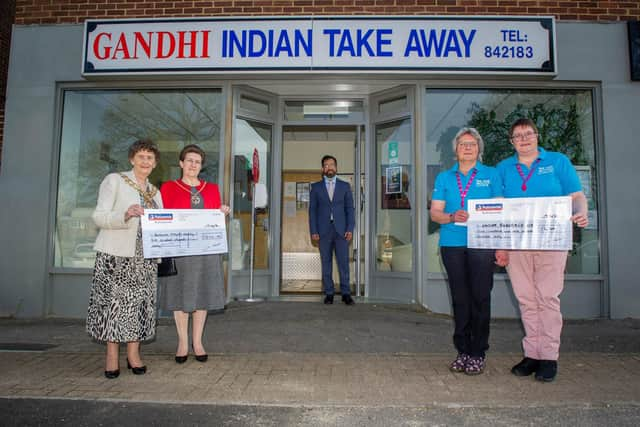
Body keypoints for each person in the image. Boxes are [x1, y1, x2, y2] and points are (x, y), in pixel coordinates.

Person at [495, 118, 589, 382]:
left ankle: (549, 356)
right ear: (511, 141)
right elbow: (500, 207)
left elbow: (577, 196)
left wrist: (581, 214)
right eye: (517, 136)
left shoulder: (557, 162)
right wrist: (501, 246)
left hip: (552, 243)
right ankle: (532, 354)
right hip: (517, 245)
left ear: (537, 136)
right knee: (526, 300)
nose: (523, 139)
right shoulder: (504, 168)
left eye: (528, 134)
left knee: (547, 299)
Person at [87, 139, 163, 379]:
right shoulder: (115, 180)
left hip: (144, 259)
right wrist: (125, 214)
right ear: (132, 159)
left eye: (150, 158)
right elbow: (98, 216)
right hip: (115, 257)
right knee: (113, 307)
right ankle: (111, 356)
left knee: (140, 307)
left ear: (155, 163)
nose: (145, 161)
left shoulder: (155, 192)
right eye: (141, 156)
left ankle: (133, 354)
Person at [430, 127, 503, 375]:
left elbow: (501, 210)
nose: (468, 148)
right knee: (460, 300)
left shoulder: (491, 175)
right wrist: (451, 216)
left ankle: (478, 352)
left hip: (482, 243)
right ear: (456, 150)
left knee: (480, 298)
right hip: (452, 244)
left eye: (472, 144)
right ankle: (462, 351)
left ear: (479, 149)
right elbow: (435, 213)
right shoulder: (444, 178)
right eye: (463, 144)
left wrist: (501, 246)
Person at [160, 144, 230, 364]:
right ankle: (182, 342)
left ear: (201, 166)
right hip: (179, 252)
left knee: (203, 295)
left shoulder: (212, 189)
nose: (193, 165)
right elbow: (162, 218)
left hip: (205, 254)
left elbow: (215, 222)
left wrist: (223, 213)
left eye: (197, 162)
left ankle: (197, 342)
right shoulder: (169, 188)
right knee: (180, 295)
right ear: (181, 163)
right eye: (189, 160)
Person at [309, 155, 356, 305]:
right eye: (326, 165)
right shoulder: (316, 187)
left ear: (336, 167)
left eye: (332, 164)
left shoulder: (345, 186)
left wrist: (350, 228)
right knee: (326, 263)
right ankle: (329, 293)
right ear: (323, 169)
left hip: (341, 230)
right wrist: (314, 230)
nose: (330, 167)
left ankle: (346, 293)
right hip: (323, 231)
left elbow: (350, 209)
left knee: (343, 263)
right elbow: (312, 211)